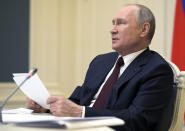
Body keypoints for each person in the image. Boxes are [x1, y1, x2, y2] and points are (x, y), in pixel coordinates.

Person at [26, 4, 174, 131]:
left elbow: (137, 120)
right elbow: (77, 101)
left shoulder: (157, 69)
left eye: (120, 23)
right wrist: (47, 107)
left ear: (144, 29)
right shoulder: (101, 61)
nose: (112, 30)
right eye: (113, 23)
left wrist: (80, 113)